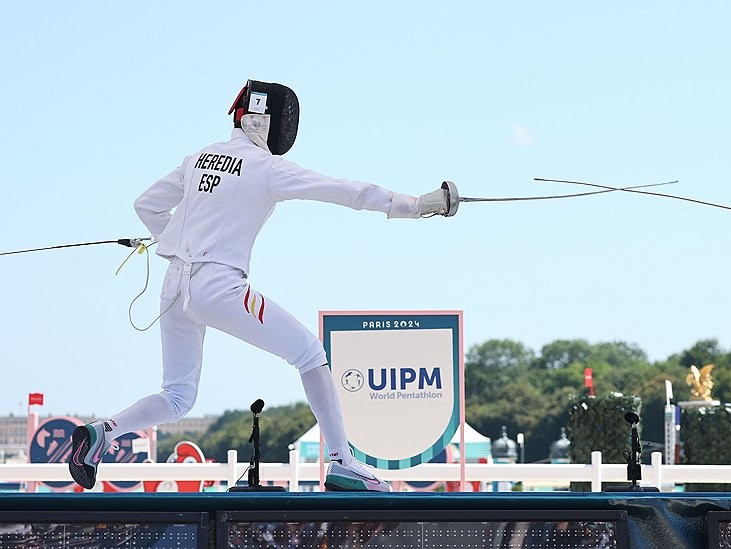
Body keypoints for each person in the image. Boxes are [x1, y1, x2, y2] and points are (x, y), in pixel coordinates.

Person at [68, 80, 460, 492]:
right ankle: (343, 462)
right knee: (310, 353)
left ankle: (104, 433)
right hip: (219, 286)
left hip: (172, 290)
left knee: (178, 395)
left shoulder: (197, 159)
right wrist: (417, 206)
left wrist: (175, 242)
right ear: (263, 121)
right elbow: (346, 192)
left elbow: (145, 205)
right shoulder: (266, 168)